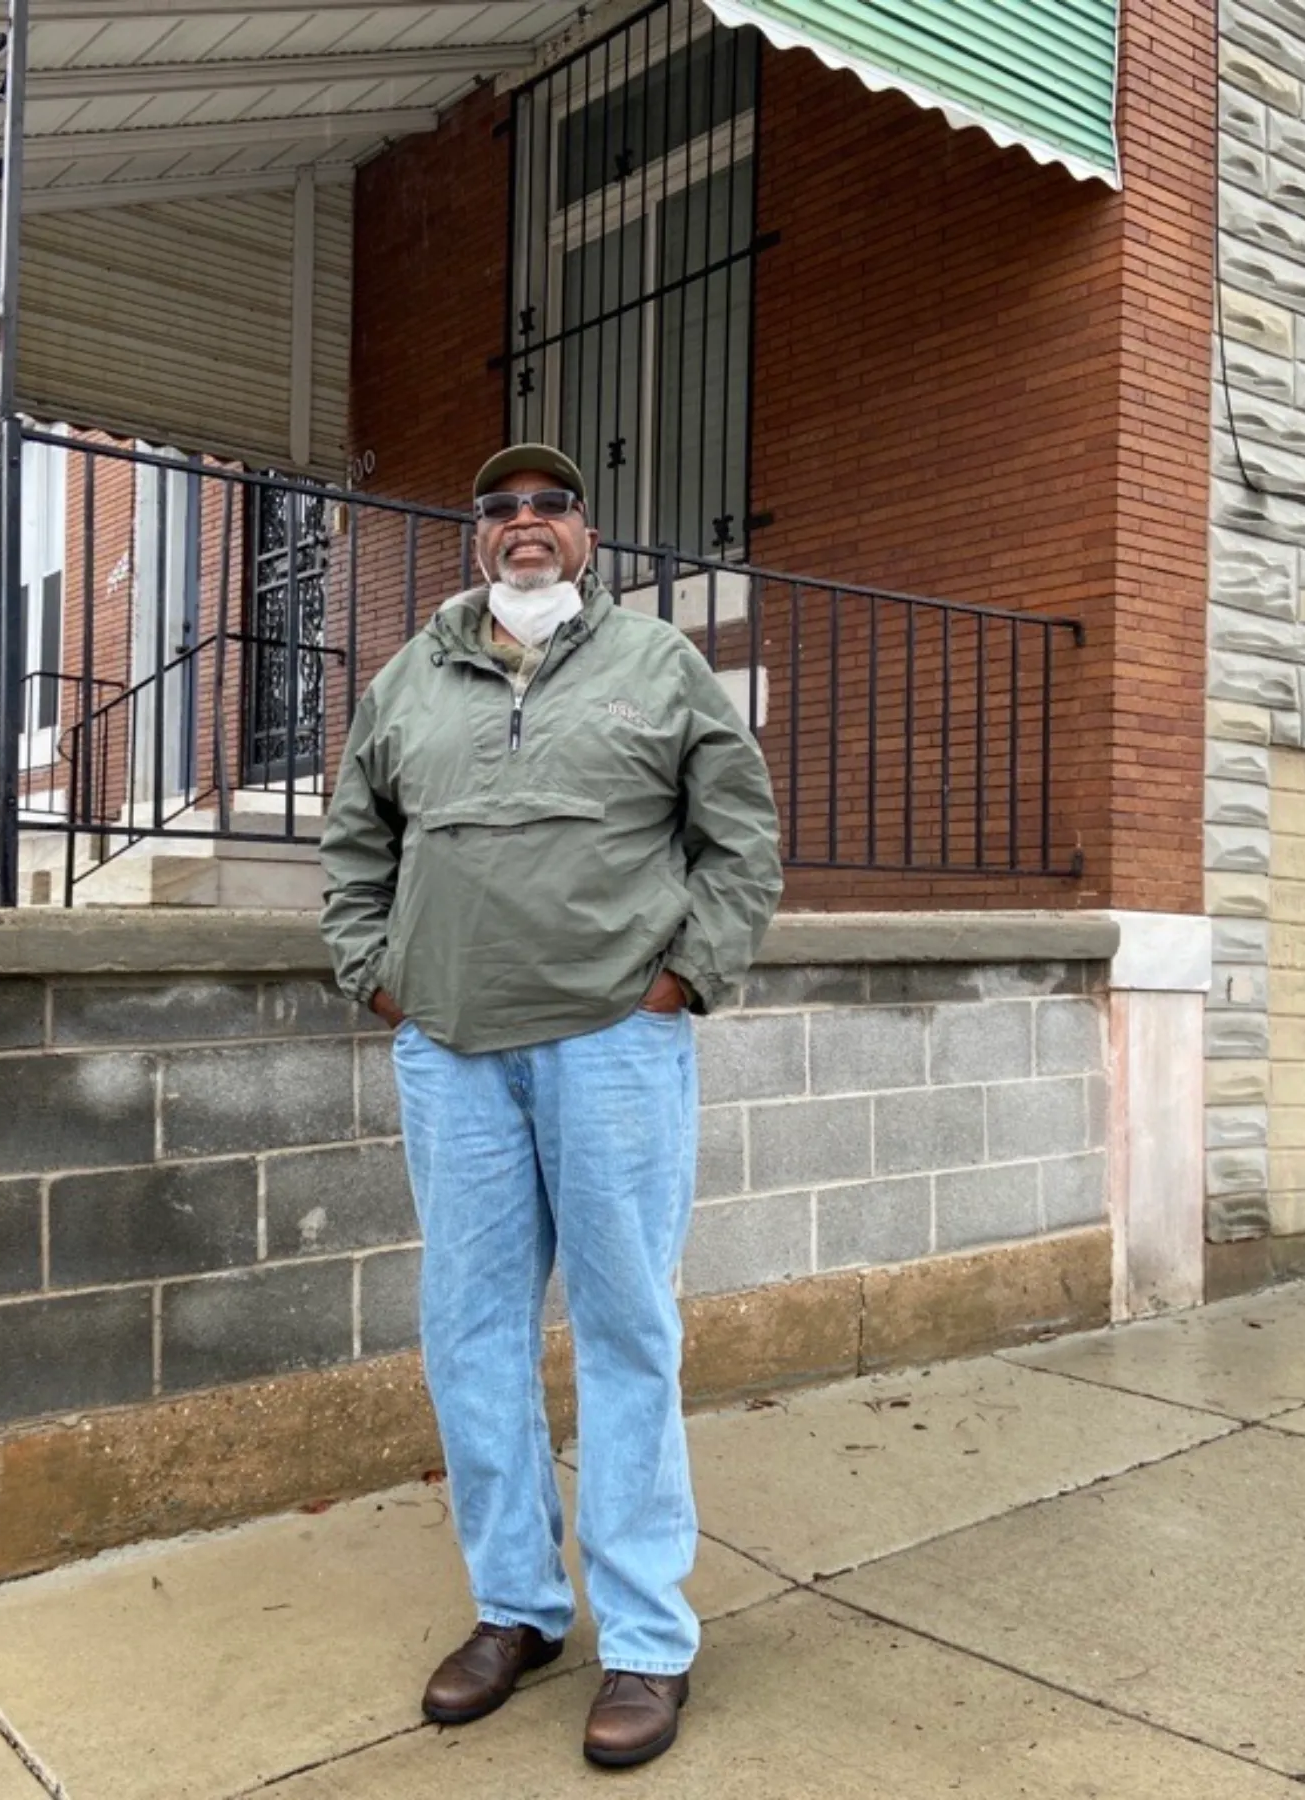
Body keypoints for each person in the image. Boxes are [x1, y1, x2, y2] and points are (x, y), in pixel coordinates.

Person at [320, 444, 783, 1768]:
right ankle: (516, 1609)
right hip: (452, 1049)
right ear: (478, 537)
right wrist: (376, 974)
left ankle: (644, 1639)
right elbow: (356, 846)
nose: (527, 525)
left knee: (628, 1330)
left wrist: (686, 974)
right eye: (503, 510)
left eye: (550, 508)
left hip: (611, 1046)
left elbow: (740, 837)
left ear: (585, 536)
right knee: (470, 1335)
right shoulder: (410, 679)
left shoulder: (657, 668)